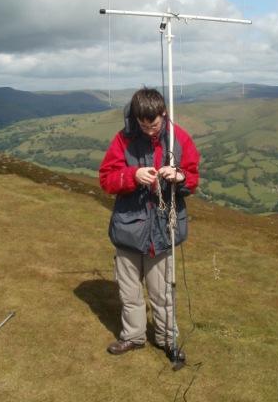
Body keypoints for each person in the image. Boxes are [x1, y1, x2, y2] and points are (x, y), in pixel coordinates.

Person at [99, 88, 200, 361]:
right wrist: (133, 175)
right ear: (136, 118)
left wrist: (179, 176)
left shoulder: (178, 138)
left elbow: (193, 177)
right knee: (129, 291)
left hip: (163, 231)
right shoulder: (123, 139)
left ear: (163, 114)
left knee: (163, 293)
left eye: (153, 125)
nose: (149, 131)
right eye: (143, 125)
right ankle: (133, 337)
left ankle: (168, 339)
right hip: (129, 228)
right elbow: (107, 179)